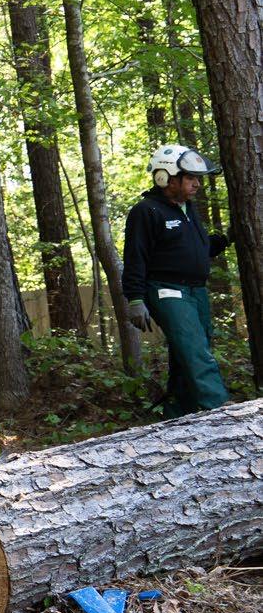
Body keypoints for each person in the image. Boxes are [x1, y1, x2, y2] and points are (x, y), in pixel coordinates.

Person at [122, 143, 235, 416]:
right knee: (193, 345)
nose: (197, 184)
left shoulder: (188, 209)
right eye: (190, 178)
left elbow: (198, 248)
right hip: (166, 290)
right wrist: (135, 299)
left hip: (196, 291)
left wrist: (226, 239)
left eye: (197, 178)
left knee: (190, 349)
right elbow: (135, 257)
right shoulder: (146, 211)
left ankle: (179, 412)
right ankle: (219, 407)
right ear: (166, 178)